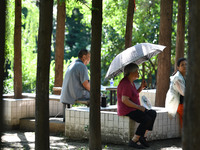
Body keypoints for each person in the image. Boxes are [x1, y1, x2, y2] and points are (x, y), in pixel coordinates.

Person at [117, 63, 157, 149]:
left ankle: (143, 137)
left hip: (133, 108)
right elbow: (125, 100)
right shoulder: (125, 83)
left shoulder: (131, 82)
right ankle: (134, 140)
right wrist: (139, 107)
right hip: (128, 110)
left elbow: (133, 95)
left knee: (153, 113)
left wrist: (141, 88)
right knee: (146, 119)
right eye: (137, 71)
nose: (138, 73)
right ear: (131, 72)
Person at [60, 49, 90, 121]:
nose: (90, 59)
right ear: (84, 57)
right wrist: (96, 92)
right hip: (75, 94)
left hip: (65, 94)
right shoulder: (82, 66)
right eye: (89, 57)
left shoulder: (72, 64)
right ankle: (92, 119)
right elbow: (86, 84)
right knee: (98, 96)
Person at [165, 58, 187, 128]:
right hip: (179, 104)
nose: (184, 66)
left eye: (186, 64)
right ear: (178, 67)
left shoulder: (185, 76)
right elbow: (184, 93)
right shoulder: (177, 78)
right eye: (182, 65)